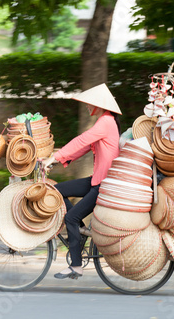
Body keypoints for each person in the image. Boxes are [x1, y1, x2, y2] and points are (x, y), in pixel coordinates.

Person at [41, 83, 122, 279]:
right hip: (98, 179)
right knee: (57, 190)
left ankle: (76, 266)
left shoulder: (106, 122)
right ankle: (80, 230)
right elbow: (83, 148)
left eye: (89, 103)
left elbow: (81, 140)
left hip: (104, 184)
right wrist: (58, 160)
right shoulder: (104, 122)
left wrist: (55, 156)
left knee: (71, 218)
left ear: (99, 105)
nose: (87, 106)